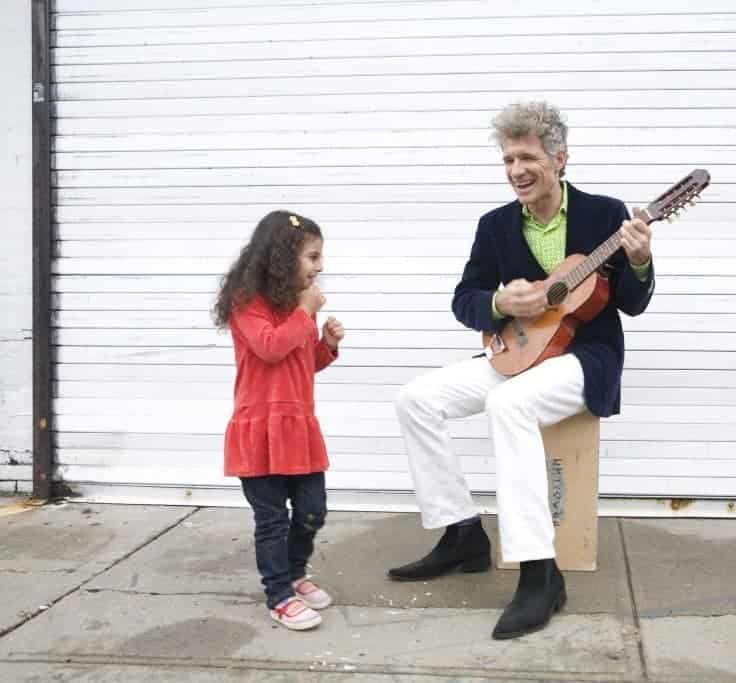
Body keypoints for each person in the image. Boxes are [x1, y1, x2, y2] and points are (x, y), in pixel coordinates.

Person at [388, 101, 656, 639]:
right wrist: (500, 304)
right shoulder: (493, 226)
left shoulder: (606, 215)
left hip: (584, 358)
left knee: (506, 405)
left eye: (527, 156)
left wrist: (641, 261)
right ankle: (462, 533)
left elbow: (631, 303)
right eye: (508, 159)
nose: (516, 170)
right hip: (519, 352)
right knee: (416, 398)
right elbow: (465, 300)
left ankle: (540, 573)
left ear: (560, 158)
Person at [213, 210, 346, 630]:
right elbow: (270, 348)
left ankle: (294, 570)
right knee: (272, 520)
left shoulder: (295, 310)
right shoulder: (246, 305)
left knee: (312, 511)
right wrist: (305, 314)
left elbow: (301, 363)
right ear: (283, 257)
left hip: (298, 427)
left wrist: (324, 344)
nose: (320, 267)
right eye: (312, 256)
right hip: (260, 431)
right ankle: (279, 594)